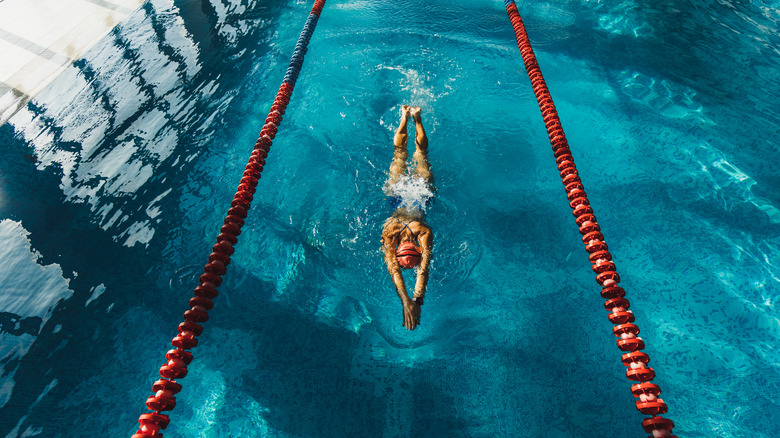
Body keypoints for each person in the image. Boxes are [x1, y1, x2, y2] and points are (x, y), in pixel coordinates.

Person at [381, 105, 434, 331]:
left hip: (421, 194)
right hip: (396, 194)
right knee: (400, 153)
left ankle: (416, 118)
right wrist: (410, 299)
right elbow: (395, 269)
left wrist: (413, 301)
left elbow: (423, 269)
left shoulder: (423, 232)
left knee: (419, 154)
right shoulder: (390, 232)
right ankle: (407, 117)